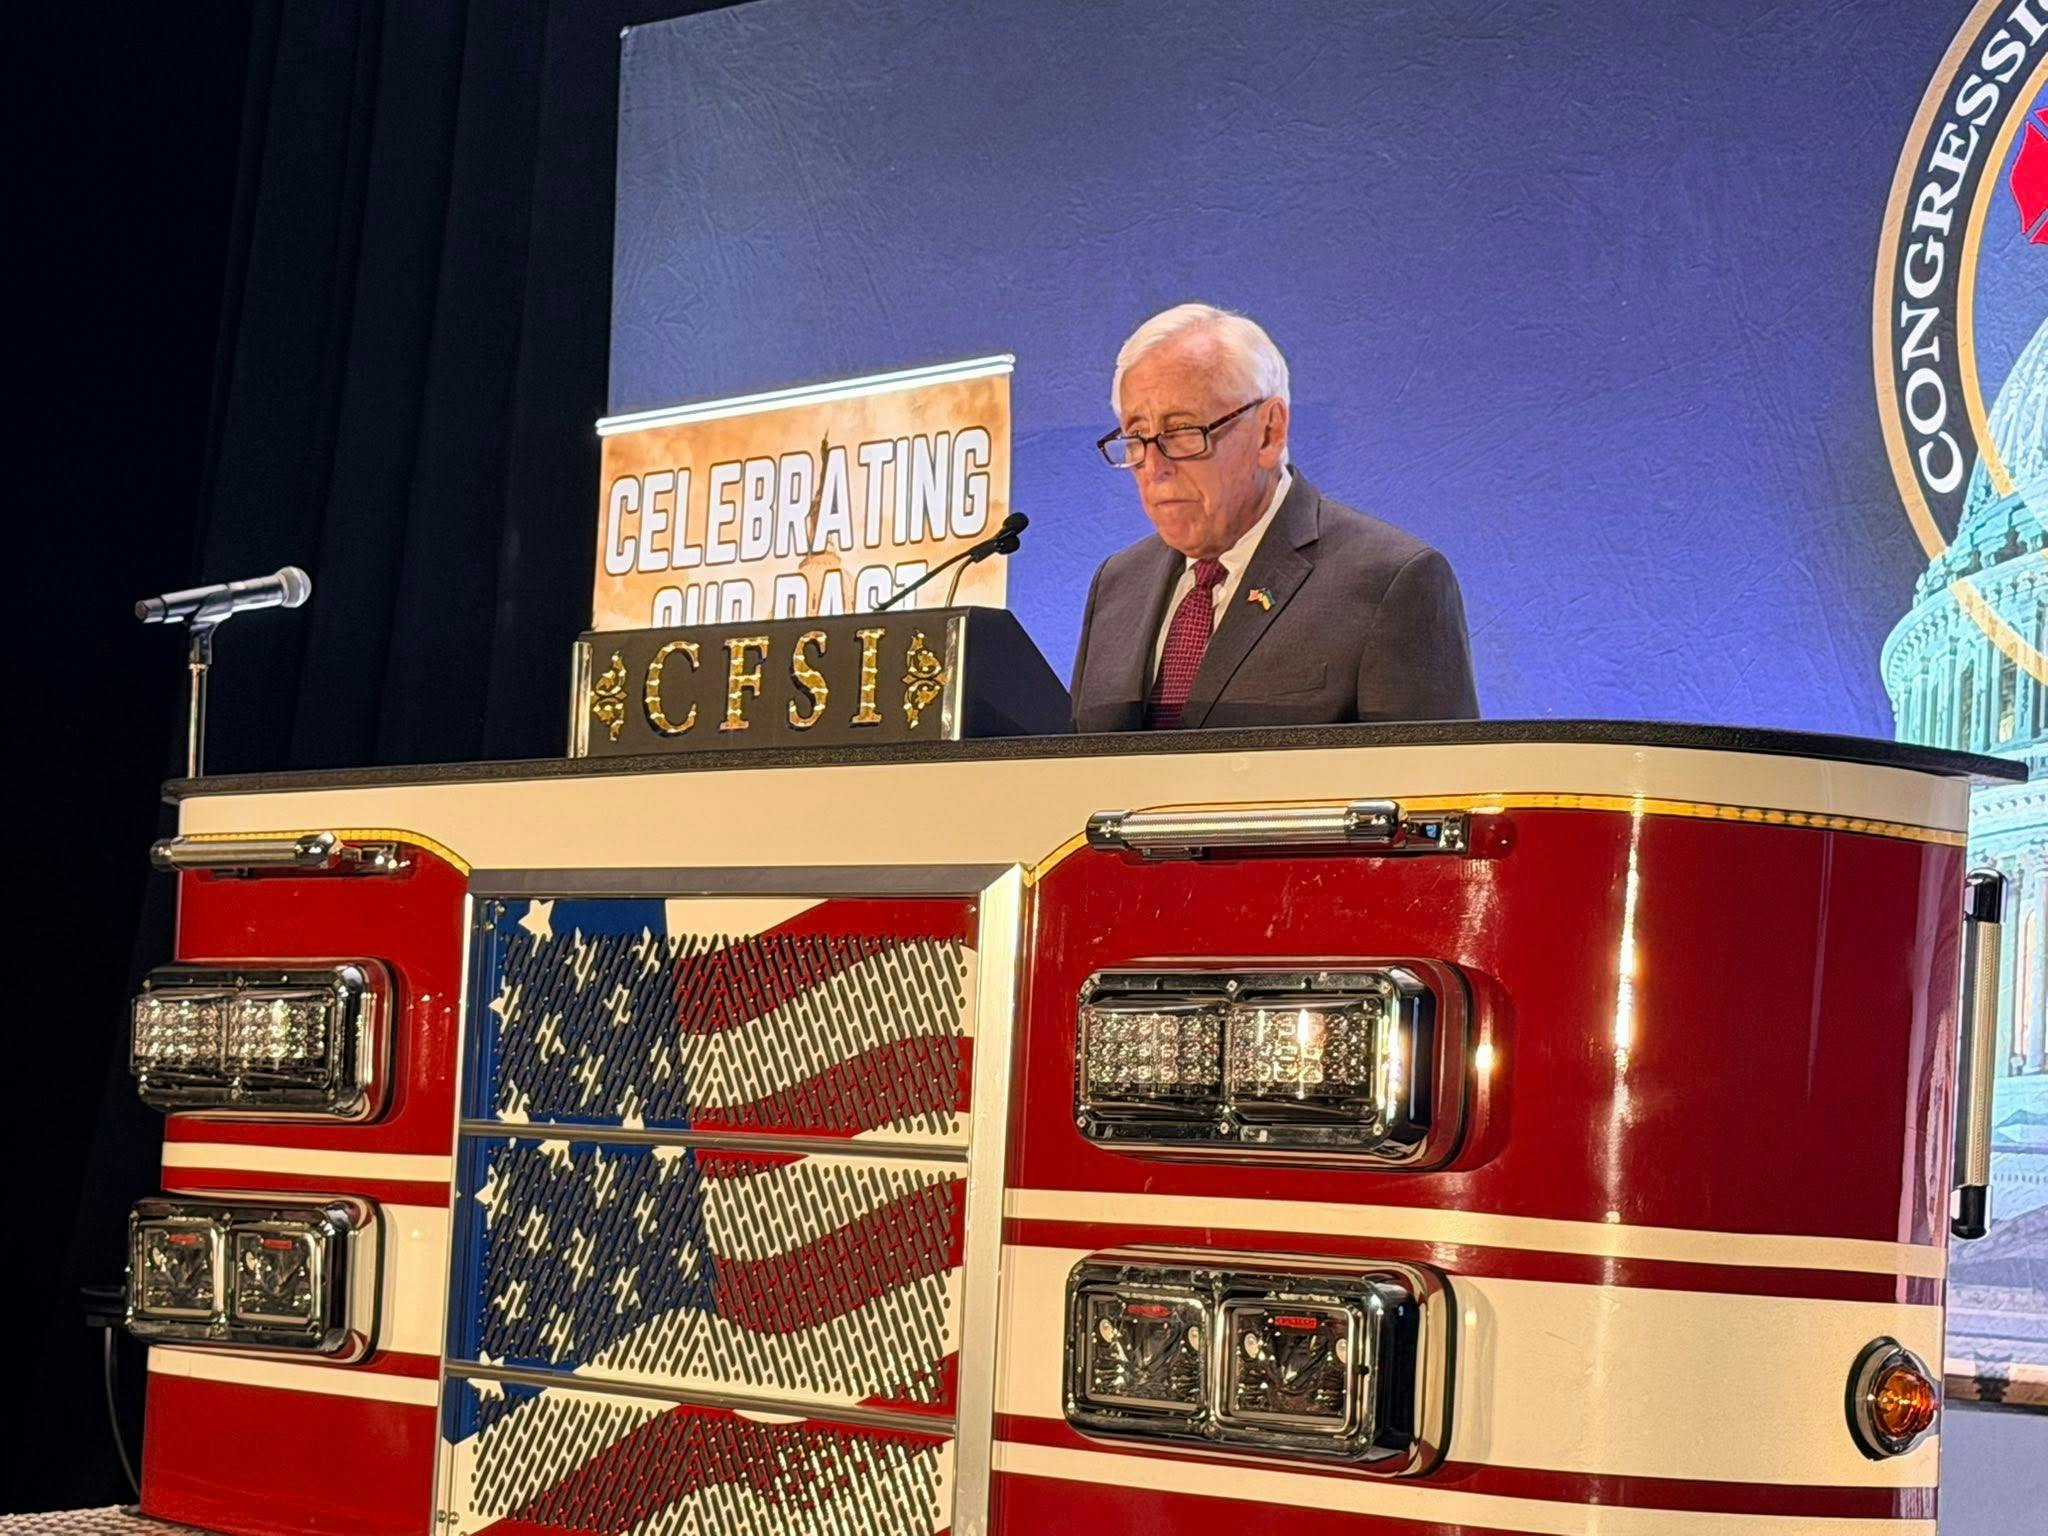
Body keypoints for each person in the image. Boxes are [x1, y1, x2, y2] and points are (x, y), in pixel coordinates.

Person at [1068, 303, 1479, 733]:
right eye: (1136, 437)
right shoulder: (1116, 584)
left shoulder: (1392, 583)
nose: (1153, 466)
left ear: (1269, 431)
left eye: (1182, 431)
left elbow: (1434, 791)